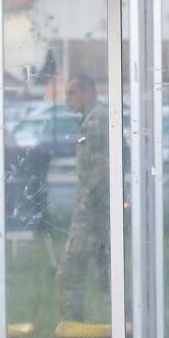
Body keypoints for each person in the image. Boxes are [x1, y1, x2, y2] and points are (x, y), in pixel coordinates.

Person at [55, 74, 106, 323]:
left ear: (88, 91)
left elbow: (101, 164)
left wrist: (87, 198)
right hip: (102, 208)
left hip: (93, 209)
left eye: (72, 93)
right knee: (109, 273)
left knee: (69, 273)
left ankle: (72, 336)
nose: (68, 99)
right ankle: (130, 331)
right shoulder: (95, 118)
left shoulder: (95, 121)